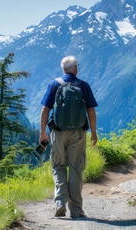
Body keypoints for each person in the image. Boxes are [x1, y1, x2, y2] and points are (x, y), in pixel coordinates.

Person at [39, 55, 98, 218]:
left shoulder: (54, 85)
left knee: (58, 165)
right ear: (76, 69)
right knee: (76, 168)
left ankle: (60, 203)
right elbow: (91, 111)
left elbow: (45, 109)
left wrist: (42, 133)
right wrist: (93, 132)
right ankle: (76, 210)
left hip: (57, 132)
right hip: (78, 133)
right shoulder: (83, 85)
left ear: (63, 69)